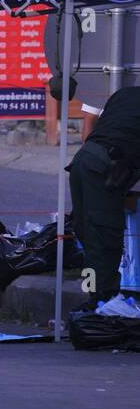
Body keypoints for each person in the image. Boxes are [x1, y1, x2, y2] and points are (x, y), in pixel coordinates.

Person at [69, 85, 140, 307]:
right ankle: (104, 304)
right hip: (104, 169)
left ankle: (90, 298)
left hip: (82, 162)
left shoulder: (125, 94)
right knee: (104, 239)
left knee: (87, 237)